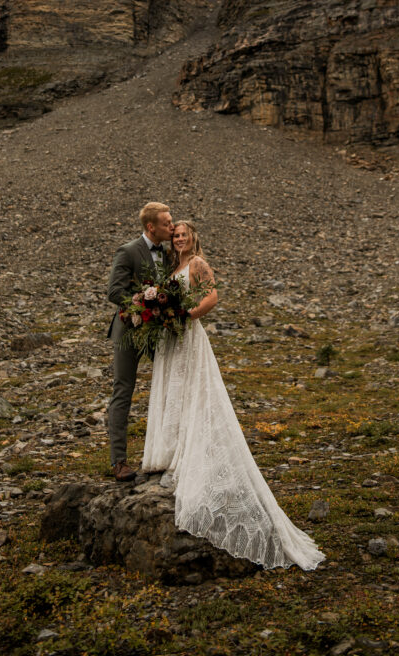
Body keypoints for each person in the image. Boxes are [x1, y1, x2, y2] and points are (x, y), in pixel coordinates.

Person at [142, 220, 326, 571]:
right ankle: (168, 447)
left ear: (193, 237)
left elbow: (212, 295)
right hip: (171, 337)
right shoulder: (173, 265)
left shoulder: (196, 263)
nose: (179, 239)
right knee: (173, 389)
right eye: (175, 235)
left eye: (184, 235)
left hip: (188, 333)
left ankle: (187, 450)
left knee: (192, 390)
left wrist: (186, 314)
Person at [107, 201, 174, 482]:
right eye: (167, 223)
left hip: (161, 332)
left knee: (170, 387)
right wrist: (141, 307)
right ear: (151, 227)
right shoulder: (128, 251)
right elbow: (114, 291)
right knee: (123, 390)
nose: (171, 227)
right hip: (130, 330)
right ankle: (118, 461)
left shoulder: (170, 254)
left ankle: (167, 454)